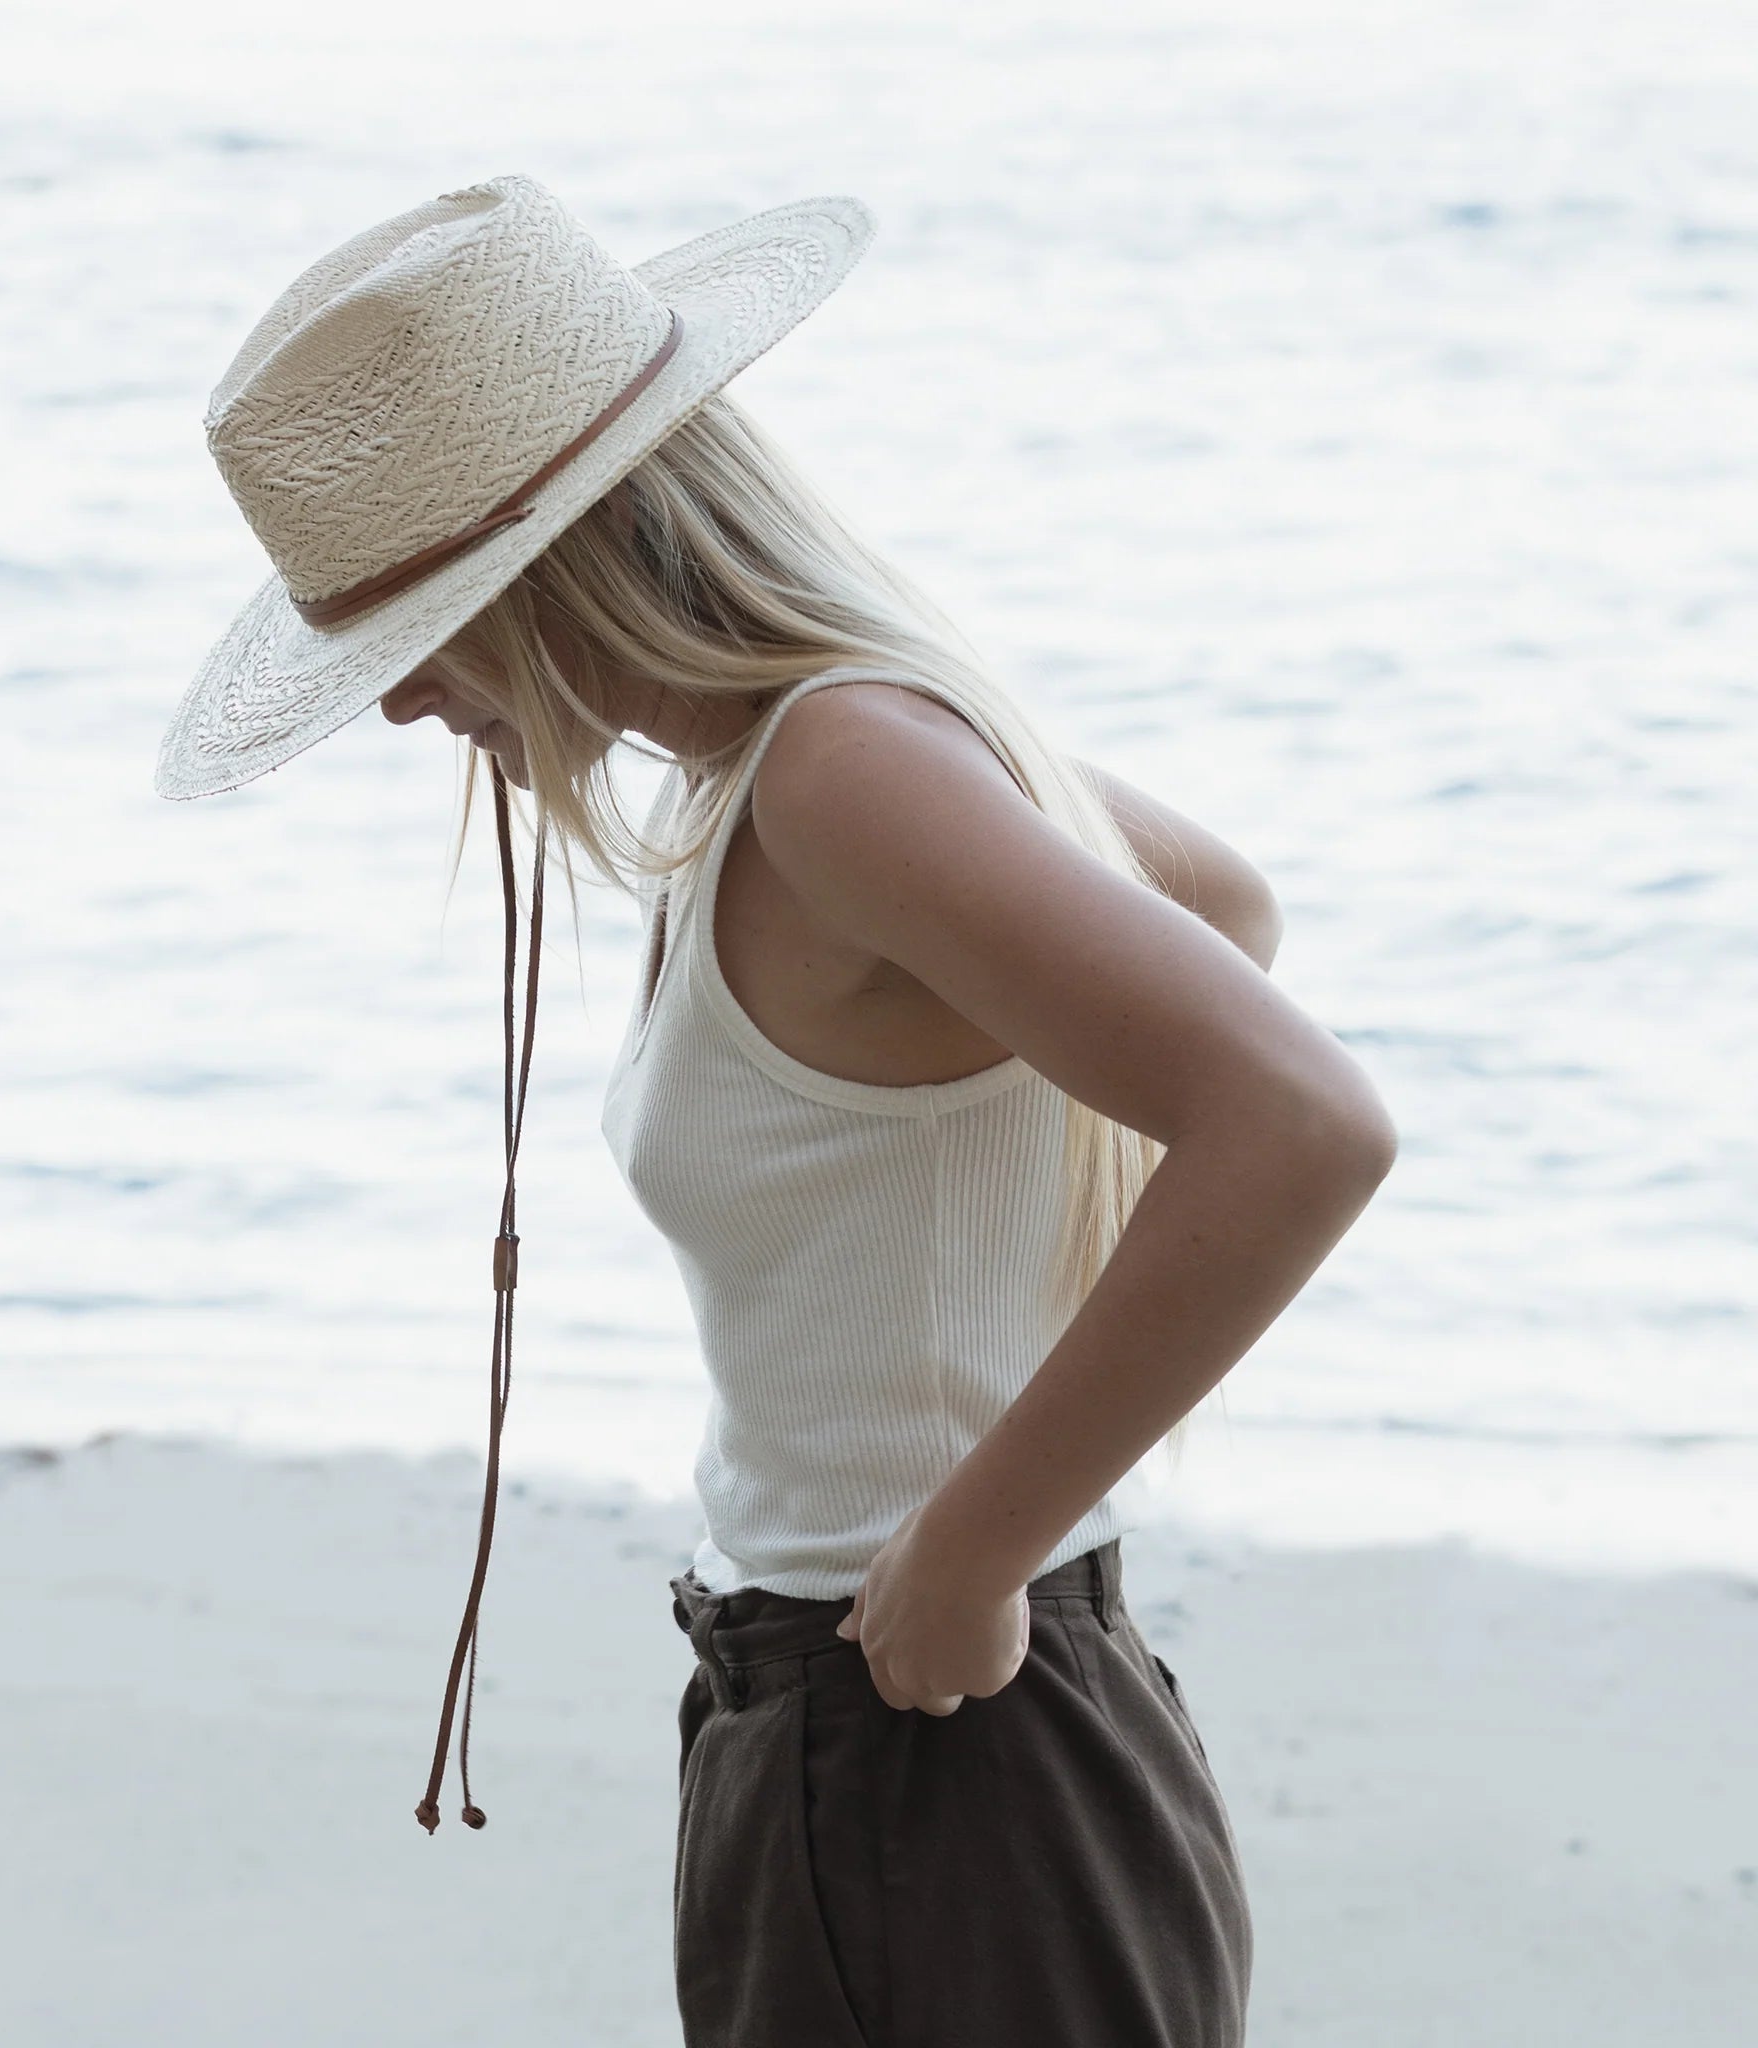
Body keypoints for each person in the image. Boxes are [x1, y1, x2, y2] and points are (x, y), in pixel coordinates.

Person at [158, 172, 1398, 2046]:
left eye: (418, 625)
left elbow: (1301, 1119)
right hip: (866, 1709)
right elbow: (1215, 912)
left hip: (932, 1736)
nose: (404, 706)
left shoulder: (839, 769)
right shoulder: (792, 769)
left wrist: (978, 1535)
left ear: (563, 559)